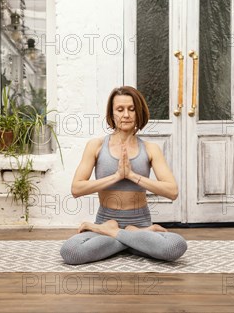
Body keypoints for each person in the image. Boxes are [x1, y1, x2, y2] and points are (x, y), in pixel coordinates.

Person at [60, 86, 188, 265]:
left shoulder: (151, 149)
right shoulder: (95, 146)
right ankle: (134, 241)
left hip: (139, 225)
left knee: (175, 246)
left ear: (139, 113)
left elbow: (172, 191)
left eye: (132, 109)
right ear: (111, 114)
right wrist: (117, 176)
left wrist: (132, 175)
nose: (126, 115)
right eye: (120, 110)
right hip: (106, 221)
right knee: (71, 252)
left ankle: (119, 234)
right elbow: (76, 188)